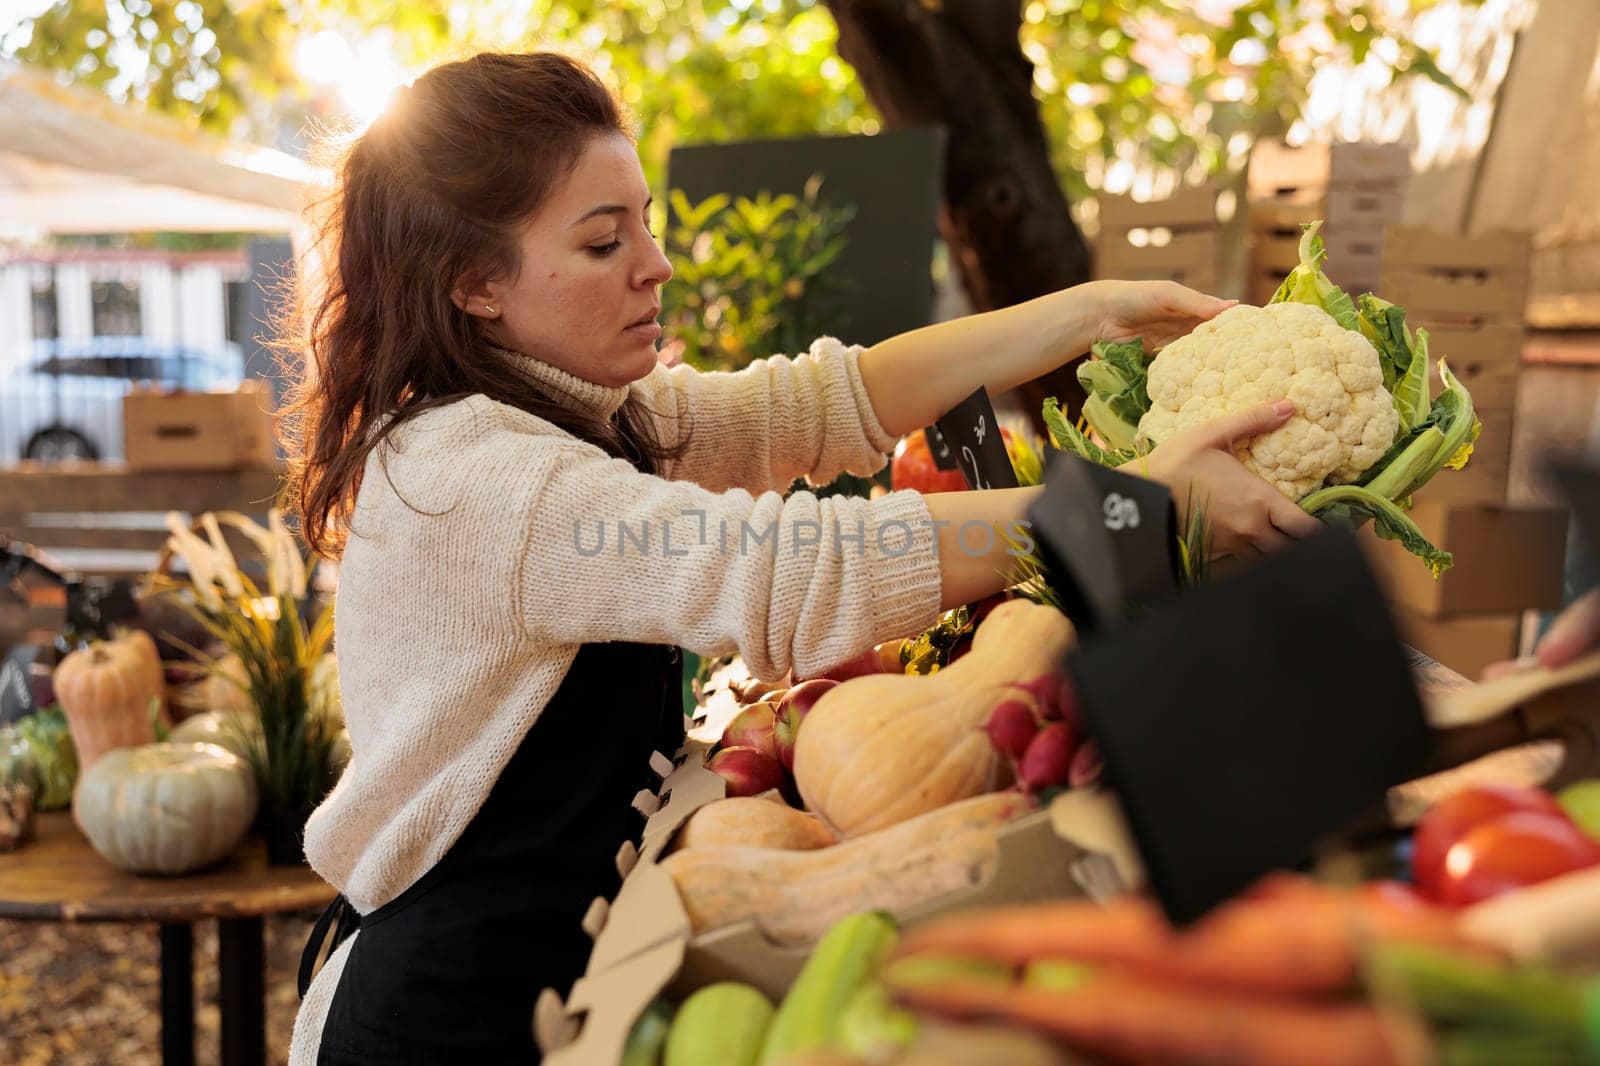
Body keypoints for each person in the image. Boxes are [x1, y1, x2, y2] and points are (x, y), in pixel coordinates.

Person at [281, 51, 1316, 1065]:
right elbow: (788, 567)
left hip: (554, 965)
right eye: (604, 243)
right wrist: (1134, 508)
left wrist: (1089, 313)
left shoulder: (566, 406)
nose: (656, 262)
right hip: (444, 1014)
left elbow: (816, 405)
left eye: (646, 221)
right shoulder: (476, 480)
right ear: (474, 283)